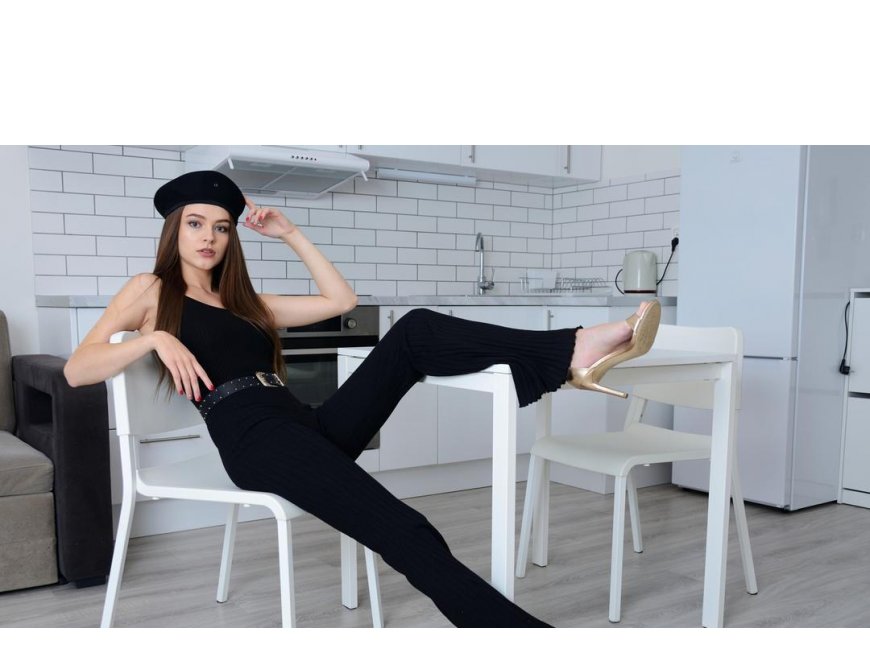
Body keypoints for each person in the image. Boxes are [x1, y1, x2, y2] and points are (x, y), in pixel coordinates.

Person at [64, 170, 660, 628]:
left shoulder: (245, 301)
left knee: (416, 330)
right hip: (254, 440)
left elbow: (341, 301)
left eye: (221, 227)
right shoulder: (150, 290)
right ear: (174, 228)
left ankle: (569, 350)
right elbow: (76, 369)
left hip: (302, 423)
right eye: (196, 224)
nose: (209, 238)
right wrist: (155, 337)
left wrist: (291, 234)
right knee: (407, 529)